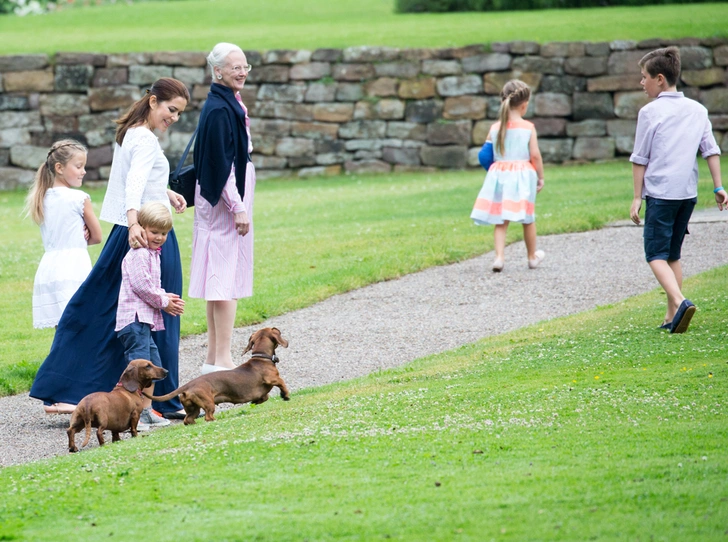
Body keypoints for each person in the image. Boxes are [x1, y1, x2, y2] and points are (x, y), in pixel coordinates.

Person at [30, 78, 191, 418]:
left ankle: (72, 387)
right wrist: (135, 223)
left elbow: (140, 180)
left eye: (179, 113)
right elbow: (133, 185)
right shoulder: (144, 138)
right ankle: (161, 401)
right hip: (146, 234)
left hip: (129, 229)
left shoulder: (130, 133)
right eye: (171, 110)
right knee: (160, 313)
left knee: (103, 311)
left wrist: (165, 192)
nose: (174, 118)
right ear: (152, 102)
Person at [629, 46, 726, 334]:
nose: (641, 82)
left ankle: (681, 302)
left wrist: (637, 197)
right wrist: (719, 186)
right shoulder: (698, 110)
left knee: (655, 255)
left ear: (660, 79)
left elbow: (640, 158)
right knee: (673, 254)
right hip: (687, 194)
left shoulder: (650, 112)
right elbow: (711, 150)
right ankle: (672, 318)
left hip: (661, 194)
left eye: (644, 77)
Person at [190, 42, 255, 375]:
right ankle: (223, 358)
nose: (242, 72)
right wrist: (238, 207)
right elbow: (225, 164)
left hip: (222, 199)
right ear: (218, 71)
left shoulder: (225, 101)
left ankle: (214, 359)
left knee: (219, 278)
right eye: (235, 67)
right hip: (224, 201)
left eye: (245, 66)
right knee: (224, 279)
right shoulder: (219, 108)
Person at [116, 202, 185, 429]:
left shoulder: (152, 255)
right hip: (134, 320)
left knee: (152, 366)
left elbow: (151, 285)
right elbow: (142, 286)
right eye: (154, 232)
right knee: (138, 371)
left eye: (164, 233)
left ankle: (146, 411)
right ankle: (132, 415)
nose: (160, 237)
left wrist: (166, 296)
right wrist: (164, 302)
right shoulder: (139, 254)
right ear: (141, 228)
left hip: (144, 321)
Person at [25, 139, 102, 330]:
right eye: (78, 166)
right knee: (80, 326)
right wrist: (83, 234)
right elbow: (97, 237)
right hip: (74, 267)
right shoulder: (79, 198)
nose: (83, 171)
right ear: (59, 167)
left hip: (49, 269)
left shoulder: (41, 198)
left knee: (61, 329)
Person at [470, 79, 545, 272]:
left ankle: (499, 258)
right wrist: (540, 176)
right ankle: (531, 257)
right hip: (522, 176)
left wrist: (493, 168)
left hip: (501, 175)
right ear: (524, 105)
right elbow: (535, 154)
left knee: (501, 220)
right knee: (528, 218)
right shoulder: (528, 127)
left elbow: (484, 154)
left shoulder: (495, 127)